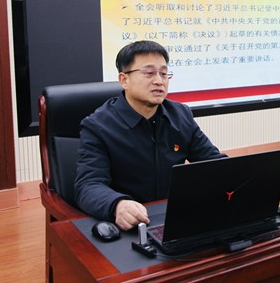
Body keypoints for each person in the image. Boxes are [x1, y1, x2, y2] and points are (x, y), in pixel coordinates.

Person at [74, 40, 226, 230]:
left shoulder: (180, 115)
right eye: (149, 73)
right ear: (124, 80)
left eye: (163, 73)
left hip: (174, 217)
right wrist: (117, 205)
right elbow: (88, 185)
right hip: (130, 223)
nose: (159, 81)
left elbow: (213, 163)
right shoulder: (98, 126)